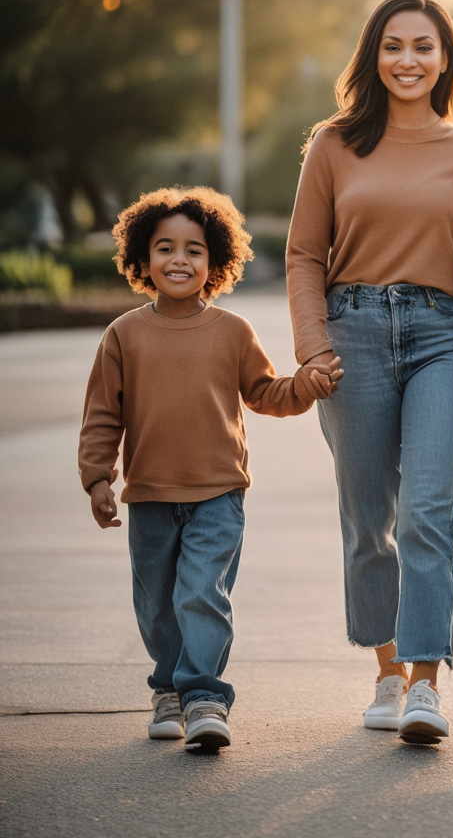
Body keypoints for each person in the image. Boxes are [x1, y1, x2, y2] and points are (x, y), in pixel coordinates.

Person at [287, 0, 453, 745]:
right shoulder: (332, 145)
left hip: (443, 335)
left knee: (429, 507)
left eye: (424, 46)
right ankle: (386, 669)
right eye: (394, 45)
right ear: (373, 56)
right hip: (351, 333)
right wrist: (312, 345)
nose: (408, 60)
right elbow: (302, 255)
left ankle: (425, 681)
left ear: (445, 58)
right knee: (368, 517)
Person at [79, 187, 340, 750]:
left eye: (194, 250)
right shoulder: (123, 334)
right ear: (142, 260)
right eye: (165, 248)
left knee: (201, 593)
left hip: (219, 492)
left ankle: (202, 697)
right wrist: (98, 477)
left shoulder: (232, 331)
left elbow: (266, 392)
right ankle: (168, 689)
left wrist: (304, 387)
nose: (179, 259)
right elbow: (102, 413)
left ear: (216, 261)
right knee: (155, 603)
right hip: (148, 494)